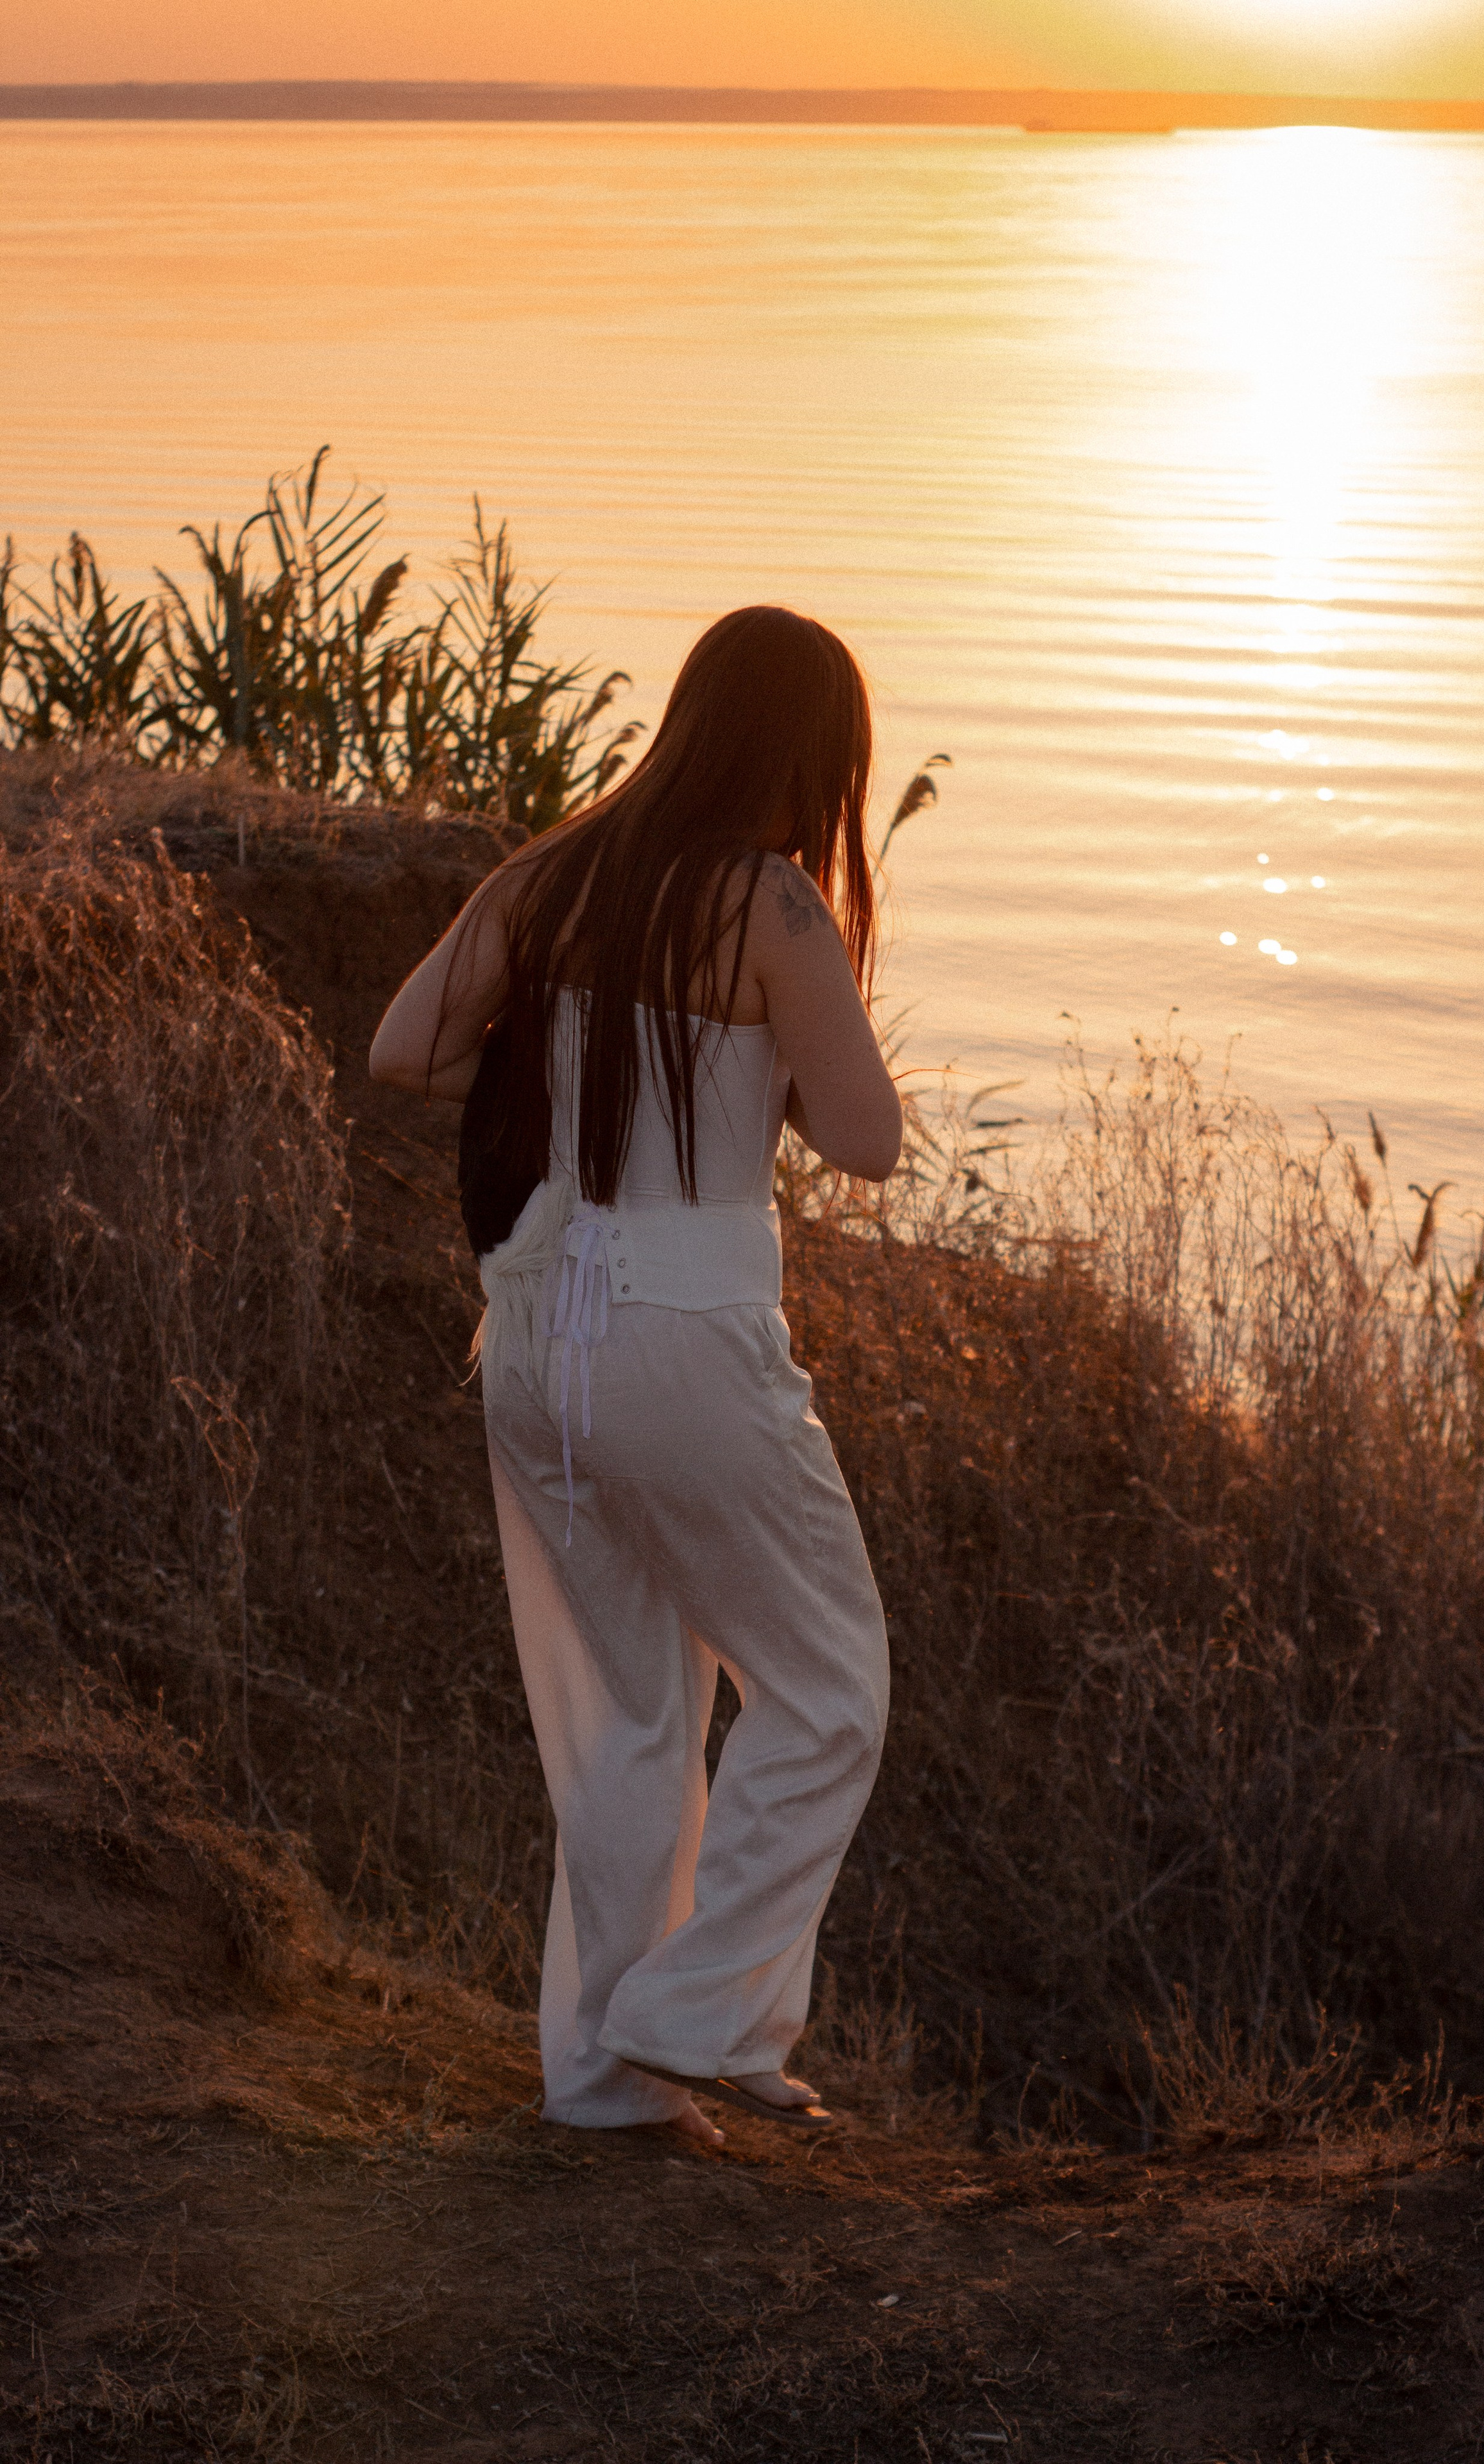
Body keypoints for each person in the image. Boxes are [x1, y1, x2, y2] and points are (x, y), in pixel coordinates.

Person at [369, 606, 901, 2152]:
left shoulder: (558, 869)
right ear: (811, 757)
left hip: (537, 1333)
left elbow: (406, 1047)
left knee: (628, 1716)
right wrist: (765, 1070)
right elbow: (865, 1144)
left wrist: (568, 1060)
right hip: (683, 1334)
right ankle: (693, 2010)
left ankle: (601, 2081)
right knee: (829, 1691)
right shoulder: (776, 913)